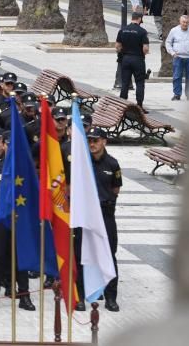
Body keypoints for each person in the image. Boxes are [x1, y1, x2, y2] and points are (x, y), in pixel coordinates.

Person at [77, 127, 121, 312]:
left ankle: (111, 297)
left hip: (105, 214)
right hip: (85, 214)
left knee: (108, 254)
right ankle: (79, 296)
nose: (92, 144)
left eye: (96, 140)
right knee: (81, 255)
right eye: (90, 140)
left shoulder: (112, 164)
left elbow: (115, 189)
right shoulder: (82, 163)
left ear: (104, 141)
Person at [116, 11, 150, 111]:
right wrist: (145, 53)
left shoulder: (123, 30)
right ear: (139, 19)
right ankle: (139, 105)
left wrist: (122, 53)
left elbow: (117, 46)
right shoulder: (142, 31)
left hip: (126, 59)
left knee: (125, 82)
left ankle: (122, 104)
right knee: (139, 83)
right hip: (138, 59)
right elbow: (145, 49)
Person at [165, 14, 189, 101]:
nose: (185, 24)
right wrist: (172, 53)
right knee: (177, 76)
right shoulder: (174, 30)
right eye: (183, 22)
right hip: (178, 57)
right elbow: (168, 42)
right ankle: (177, 94)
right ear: (180, 21)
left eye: (187, 22)